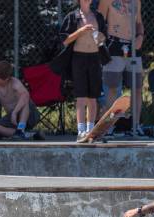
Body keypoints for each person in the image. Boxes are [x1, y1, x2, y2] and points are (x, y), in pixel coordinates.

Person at [59, 0, 107, 141]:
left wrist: (97, 35)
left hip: (94, 58)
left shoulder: (98, 16)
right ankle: (80, 131)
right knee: (81, 96)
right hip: (78, 58)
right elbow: (65, 40)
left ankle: (90, 130)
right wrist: (81, 31)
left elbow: (103, 40)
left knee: (93, 97)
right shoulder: (72, 17)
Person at [98, 0, 144, 136]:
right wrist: (100, 41)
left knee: (137, 87)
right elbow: (98, 22)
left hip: (133, 47)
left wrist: (140, 36)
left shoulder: (136, 1)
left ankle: (135, 125)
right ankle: (109, 126)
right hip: (114, 45)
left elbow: (139, 22)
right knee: (112, 87)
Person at [0, 60, 43, 140]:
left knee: (24, 99)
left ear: (7, 79)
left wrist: (15, 112)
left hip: (29, 115)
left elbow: (26, 95)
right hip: (13, 119)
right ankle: (28, 135)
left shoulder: (14, 82)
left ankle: (21, 128)